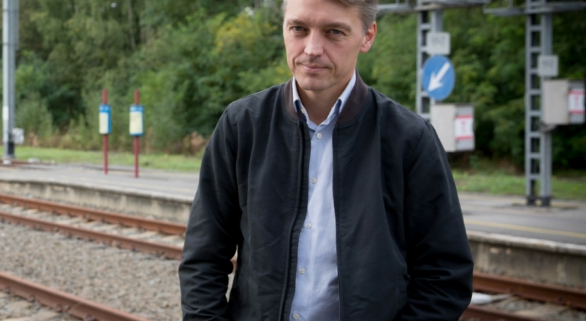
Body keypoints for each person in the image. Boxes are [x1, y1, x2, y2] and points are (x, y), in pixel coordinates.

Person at [178, 0, 475, 319]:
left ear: (367, 36)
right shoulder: (242, 125)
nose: (311, 49)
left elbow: (444, 275)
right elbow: (203, 257)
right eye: (299, 29)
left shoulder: (409, 139)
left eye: (334, 32)